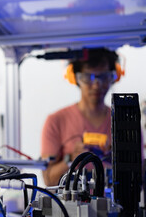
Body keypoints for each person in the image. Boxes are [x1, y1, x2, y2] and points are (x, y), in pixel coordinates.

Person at [40, 48, 123, 186]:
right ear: (75, 78)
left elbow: (137, 178)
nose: (96, 84)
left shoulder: (124, 123)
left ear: (113, 77)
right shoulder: (56, 121)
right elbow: (49, 180)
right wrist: (71, 159)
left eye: (103, 77)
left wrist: (115, 158)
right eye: (87, 77)